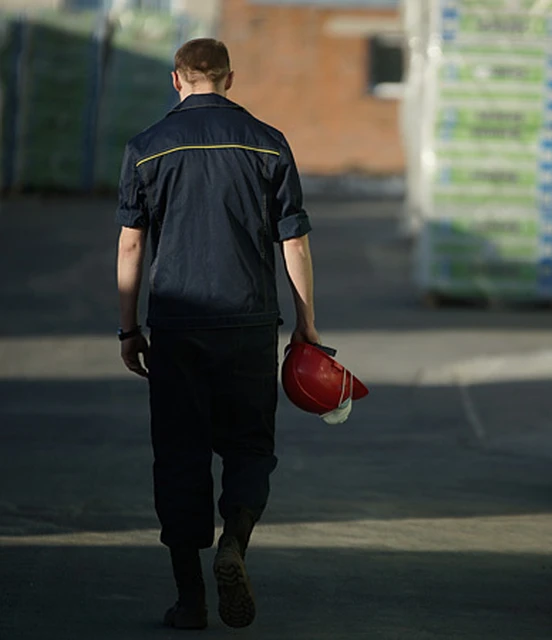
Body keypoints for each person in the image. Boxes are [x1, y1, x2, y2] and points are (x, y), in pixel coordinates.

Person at [115, 38, 320, 630]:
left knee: (179, 455)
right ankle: (234, 543)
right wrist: (306, 325)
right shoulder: (269, 143)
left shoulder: (145, 149)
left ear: (175, 80)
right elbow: (295, 241)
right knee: (250, 446)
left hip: (177, 326)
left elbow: (132, 244)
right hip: (249, 323)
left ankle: (190, 601)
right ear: (231, 79)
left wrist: (128, 328)